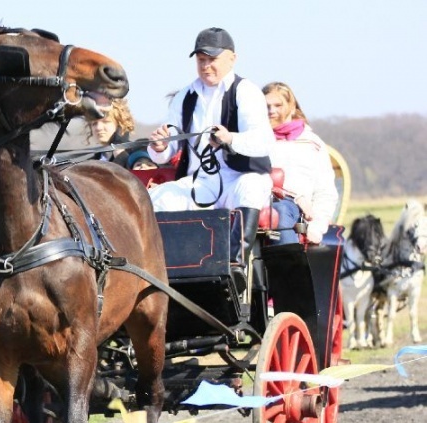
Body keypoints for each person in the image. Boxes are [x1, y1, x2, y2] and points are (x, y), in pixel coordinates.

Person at [147, 27, 274, 274]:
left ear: (232, 58)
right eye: (201, 60)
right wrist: (160, 146)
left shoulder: (246, 91)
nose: (206, 66)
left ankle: (235, 267)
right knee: (159, 198)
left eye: (212, 59)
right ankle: (161, 271)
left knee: (249, 188)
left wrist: (230, 139)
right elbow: (167, 149)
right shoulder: (185, 96)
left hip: (240, 176)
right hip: (202, 182)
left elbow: (263, 142)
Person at [262, 82, 338, 244]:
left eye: (278, 105)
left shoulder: (311, 143)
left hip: (294, 211)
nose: (271, 111)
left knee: (280, 212)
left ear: (291, 106)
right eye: (266, 106)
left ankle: (289, 267)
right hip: (258, 202)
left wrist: (317, 225)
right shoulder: (254, 141)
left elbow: (325, 191)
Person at [85, 98, 135, 168]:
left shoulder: (137, 155)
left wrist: (120, 153)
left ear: (120, 124)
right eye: (94, 123)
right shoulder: (89, 165)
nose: (98, 128)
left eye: (106, 122)